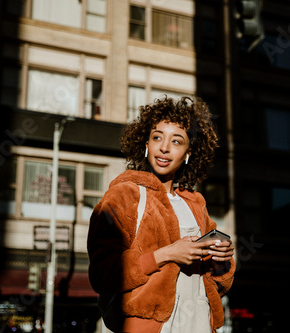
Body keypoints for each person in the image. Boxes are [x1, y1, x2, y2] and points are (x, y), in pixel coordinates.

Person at [87, 95, 235, 333]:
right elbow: (102, 274)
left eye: (177, 141)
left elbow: (218, 283)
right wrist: (167, 254)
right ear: (146, 144)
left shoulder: (196, 204)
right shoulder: (124, 195)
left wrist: (222, 258)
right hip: (149, 326)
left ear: (188, 153)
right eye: (157, 137)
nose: (164, 147)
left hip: (198, 322)